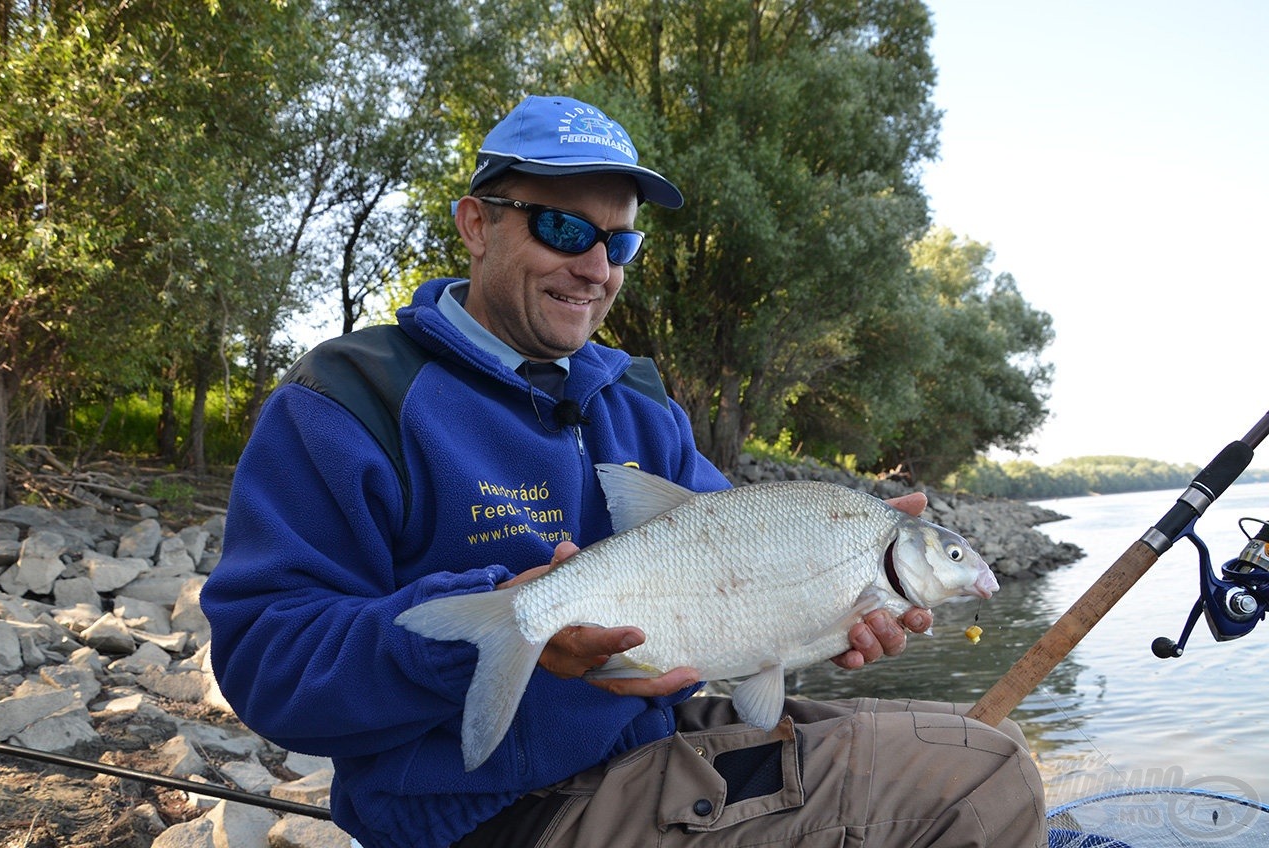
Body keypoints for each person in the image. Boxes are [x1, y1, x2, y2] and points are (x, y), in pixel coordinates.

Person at [200, 95, 1046, 848]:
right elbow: (269, 667)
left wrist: (834, 602)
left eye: (620, 240)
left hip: (654, 741)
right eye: (563, 229)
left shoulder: (636, 398)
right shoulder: (348, 397)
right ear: (476, 223)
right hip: (488, 812)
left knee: (962, 740)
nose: (597, 268)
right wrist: (497, 634)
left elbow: (735, 554)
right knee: (983, 782)